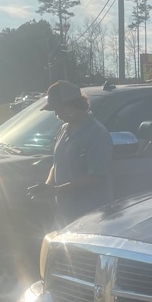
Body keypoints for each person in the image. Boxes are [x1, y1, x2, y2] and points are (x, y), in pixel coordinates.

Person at [41, 80, 113, 226]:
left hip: (89, 214)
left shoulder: (96, 133)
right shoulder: (64, 129)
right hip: (63, 213)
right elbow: (57, 163)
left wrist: (58, 190)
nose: (56, 114)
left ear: (72, 105)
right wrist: (48, 186)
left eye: (58, 109)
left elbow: (96, 177)